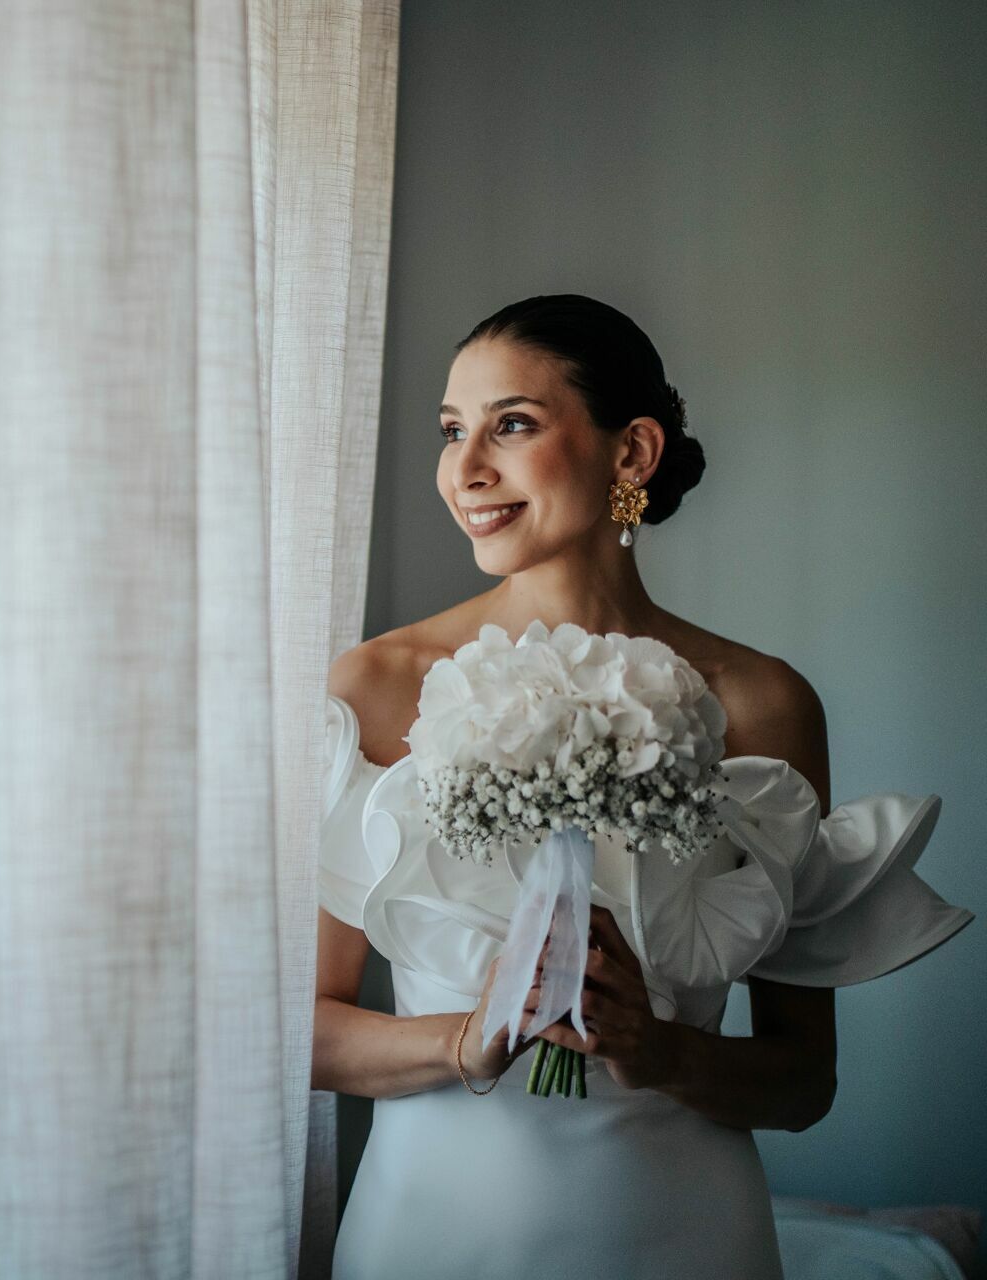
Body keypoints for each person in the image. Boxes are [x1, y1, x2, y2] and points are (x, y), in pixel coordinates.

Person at [312, 294, 974, 1280]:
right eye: (452, 431)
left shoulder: (758, 701)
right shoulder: (379, 684)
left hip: (682, 1231)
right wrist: (466, 1037)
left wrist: (659, 1049)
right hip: (431, 1228)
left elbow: (803, 1080)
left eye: (514, 423)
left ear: (632, 454)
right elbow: (299, 1035)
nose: (466, 468)